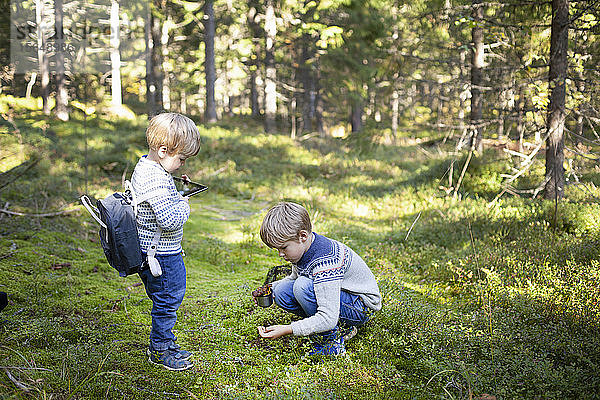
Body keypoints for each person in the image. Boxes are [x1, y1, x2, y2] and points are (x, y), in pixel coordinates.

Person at [255, 202, 382, 355]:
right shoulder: (305, 248)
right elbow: (293, 277)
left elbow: (328, 317)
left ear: (302, 236)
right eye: (276, 249)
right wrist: (270, 289)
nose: (280, 254)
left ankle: (330, 343)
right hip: (342, 298)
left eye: (283, 248)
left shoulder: (325, 262)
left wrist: (289, 329)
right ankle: (343, 327)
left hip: (361, 307)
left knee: (302, 287)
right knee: (281, 291)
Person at [131, 112, 201, 371]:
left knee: (164, 299)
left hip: (153, 250)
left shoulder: (148, 167)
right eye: (181, 158)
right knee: (167, 301)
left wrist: (175, 188)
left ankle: (165, 342)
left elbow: (159, 195)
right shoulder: (155, 178)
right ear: (163, 150)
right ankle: (160, 349)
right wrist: (184, 205)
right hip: (161, 255)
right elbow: (170, 220)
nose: (183, 163)